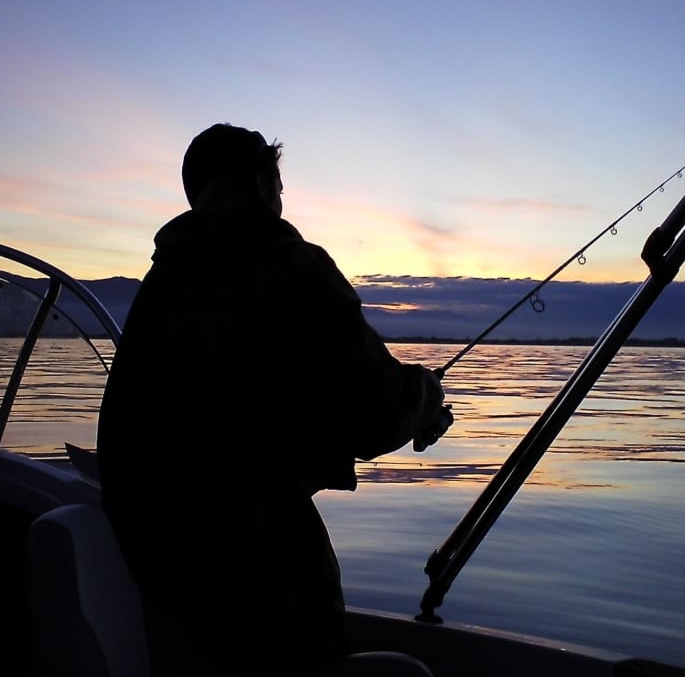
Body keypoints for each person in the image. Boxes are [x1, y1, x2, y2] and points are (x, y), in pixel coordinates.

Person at [97, 123, 452, 676]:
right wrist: (425, 396)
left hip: (164, 577)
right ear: (264, 184)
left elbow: (251, 408)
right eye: (279, 185)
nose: (282, 200)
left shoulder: (164, 287)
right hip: (255, 584)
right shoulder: (291, 269)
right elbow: (374, 410)